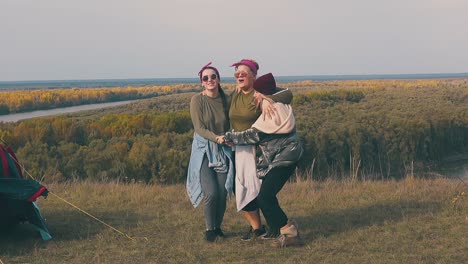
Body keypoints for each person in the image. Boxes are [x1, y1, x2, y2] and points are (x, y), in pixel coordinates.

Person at [224, 72, 304, 248]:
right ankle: (280, 230)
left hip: (285, 158)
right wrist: (267, 98)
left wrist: (227, 137)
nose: (256, 96)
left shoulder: (273, 111)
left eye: (258, 93)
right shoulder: (279, 103)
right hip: (286, 156)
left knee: (265, 198)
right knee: (267, 195)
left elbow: (253, 135)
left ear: (263, 93)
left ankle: (289, 231)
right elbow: (285, 93)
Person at [186, 62, 234, 242]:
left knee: (222, 192)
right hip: (204, 149)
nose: (210, 80)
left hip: (223, 150)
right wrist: (217, 138)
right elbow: (199, 128)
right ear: (201, 83)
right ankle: (209, 229)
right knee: (211, 192)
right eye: (205, 78)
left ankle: (217, 227)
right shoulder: (197, 100)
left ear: (219, 79)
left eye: (213, 76)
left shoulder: (226, 100)